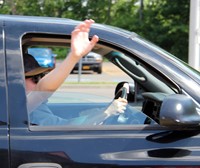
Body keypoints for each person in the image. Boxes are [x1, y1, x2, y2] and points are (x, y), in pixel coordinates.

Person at [24, 19, 128, 126]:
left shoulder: (33, 107)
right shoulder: (26, 109)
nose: (40, 80)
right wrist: (106, 113)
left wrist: (96, 113)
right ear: (18, 82)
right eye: (35, 78)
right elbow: (65, 128)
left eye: (41, 76)